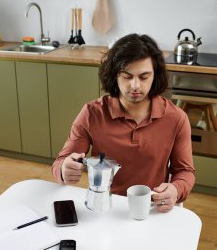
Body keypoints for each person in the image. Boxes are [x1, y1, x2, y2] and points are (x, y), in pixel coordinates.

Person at [52, 33, 195, 212]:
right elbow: (61, 162)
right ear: (115, 75)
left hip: (150, 209)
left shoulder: (176, 118)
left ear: (155, 76)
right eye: (127, 77)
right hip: (104, 207)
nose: (135, 86)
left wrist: (176, 189)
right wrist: (64, 169)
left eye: (144, 77)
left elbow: (185, 172)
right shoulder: (91, 113)